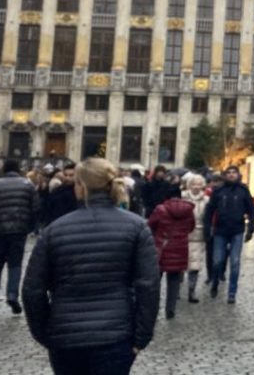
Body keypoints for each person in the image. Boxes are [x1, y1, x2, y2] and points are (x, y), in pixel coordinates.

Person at [22, 158, 160, 374]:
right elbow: (148, 286)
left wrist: (45, 332)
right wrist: (141, 337)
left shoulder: (55, 230)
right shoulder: (137, 227)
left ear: (81, 187)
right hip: (115, 335)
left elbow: (33, 290)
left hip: (66, 335)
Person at [203, 165, 254, 304]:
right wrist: (207, 227)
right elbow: (209, 210)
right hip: (220, 230)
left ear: (238, 175)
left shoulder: (243, 191)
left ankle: (232, 292)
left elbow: (251, 209)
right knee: (217, 261)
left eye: (234, 173)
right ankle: (215, 281)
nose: (232, 175)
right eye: (229, 173)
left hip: (237, 230)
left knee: (235, 262)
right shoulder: (219, 191)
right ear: (225, 175)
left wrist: (251, 227)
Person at [0, 159, 38, 315]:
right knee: (15, 265)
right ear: (18, 169)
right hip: (19, 230)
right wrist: (29, 227)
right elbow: (36, 208)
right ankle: (12, 294)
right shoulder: (28, 185)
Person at [148, 187, 195, 320]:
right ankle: (171, 309)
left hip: (161, 248)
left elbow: (151, 225)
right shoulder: (188, 210)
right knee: (174, 281)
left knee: (155, 281)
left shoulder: (160, 209)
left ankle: (154, 308)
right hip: (180, 248)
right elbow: (191, 227)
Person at [181, 174, 209, 303]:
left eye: (199, 184)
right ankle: (176, 289)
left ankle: (191, 291)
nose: (196, 186)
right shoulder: (183, 198)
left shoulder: (207, 200)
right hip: (183, 234)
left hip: (199, 234)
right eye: (194, 184)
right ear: (189, 185)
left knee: (195, 264)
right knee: (181, 262)